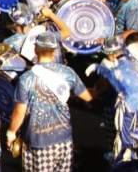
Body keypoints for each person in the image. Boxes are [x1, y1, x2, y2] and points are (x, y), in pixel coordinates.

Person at [7, 32, 93, 171]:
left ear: (36, 49)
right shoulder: (68, 72)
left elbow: (19, 112)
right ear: (54, 50)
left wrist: (11, 132)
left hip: (38, 142)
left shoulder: (26, 78)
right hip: (64, 139)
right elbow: (88, 97)